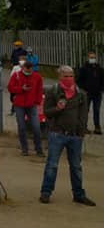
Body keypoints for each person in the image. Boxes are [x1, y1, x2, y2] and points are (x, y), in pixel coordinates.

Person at [40, 66, 95, 206]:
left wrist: (81, 132)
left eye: (71, 75)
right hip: (57, 134)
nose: (69, 78)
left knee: (76, 166)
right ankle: (46, 192)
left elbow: (83, 115)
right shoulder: (53, 91)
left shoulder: (80, 94)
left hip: (75, 136)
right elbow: (46, 112)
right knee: (52, 165)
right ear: (60, 77)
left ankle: (78, 194)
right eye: (65, 76)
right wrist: (57, 109)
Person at [7, 57, 44, 156]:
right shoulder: (16, 75)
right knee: (21, 127)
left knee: (36, 127)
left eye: (30, 69)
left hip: (32, 105)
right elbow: (10, 88)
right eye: (26, 69)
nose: (28, 71)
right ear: (23, 68)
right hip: (19, 105)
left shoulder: (37, 77)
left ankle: (38, 149)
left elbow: (39, 90)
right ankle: (24, 149)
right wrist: (21, 89)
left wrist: (38, 101)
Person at [77, 51, 103, 135]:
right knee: (85, 110)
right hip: (87, 93)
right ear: (88, 58)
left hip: (97, 94)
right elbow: (79, 80)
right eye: (91, 57)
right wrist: (83, 89)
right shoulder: (84, 68)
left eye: (94, 57)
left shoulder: (99, 68)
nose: (93, 59)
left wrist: (101, 89)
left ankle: (97, 127)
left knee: (97, 110)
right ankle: (83, 127)